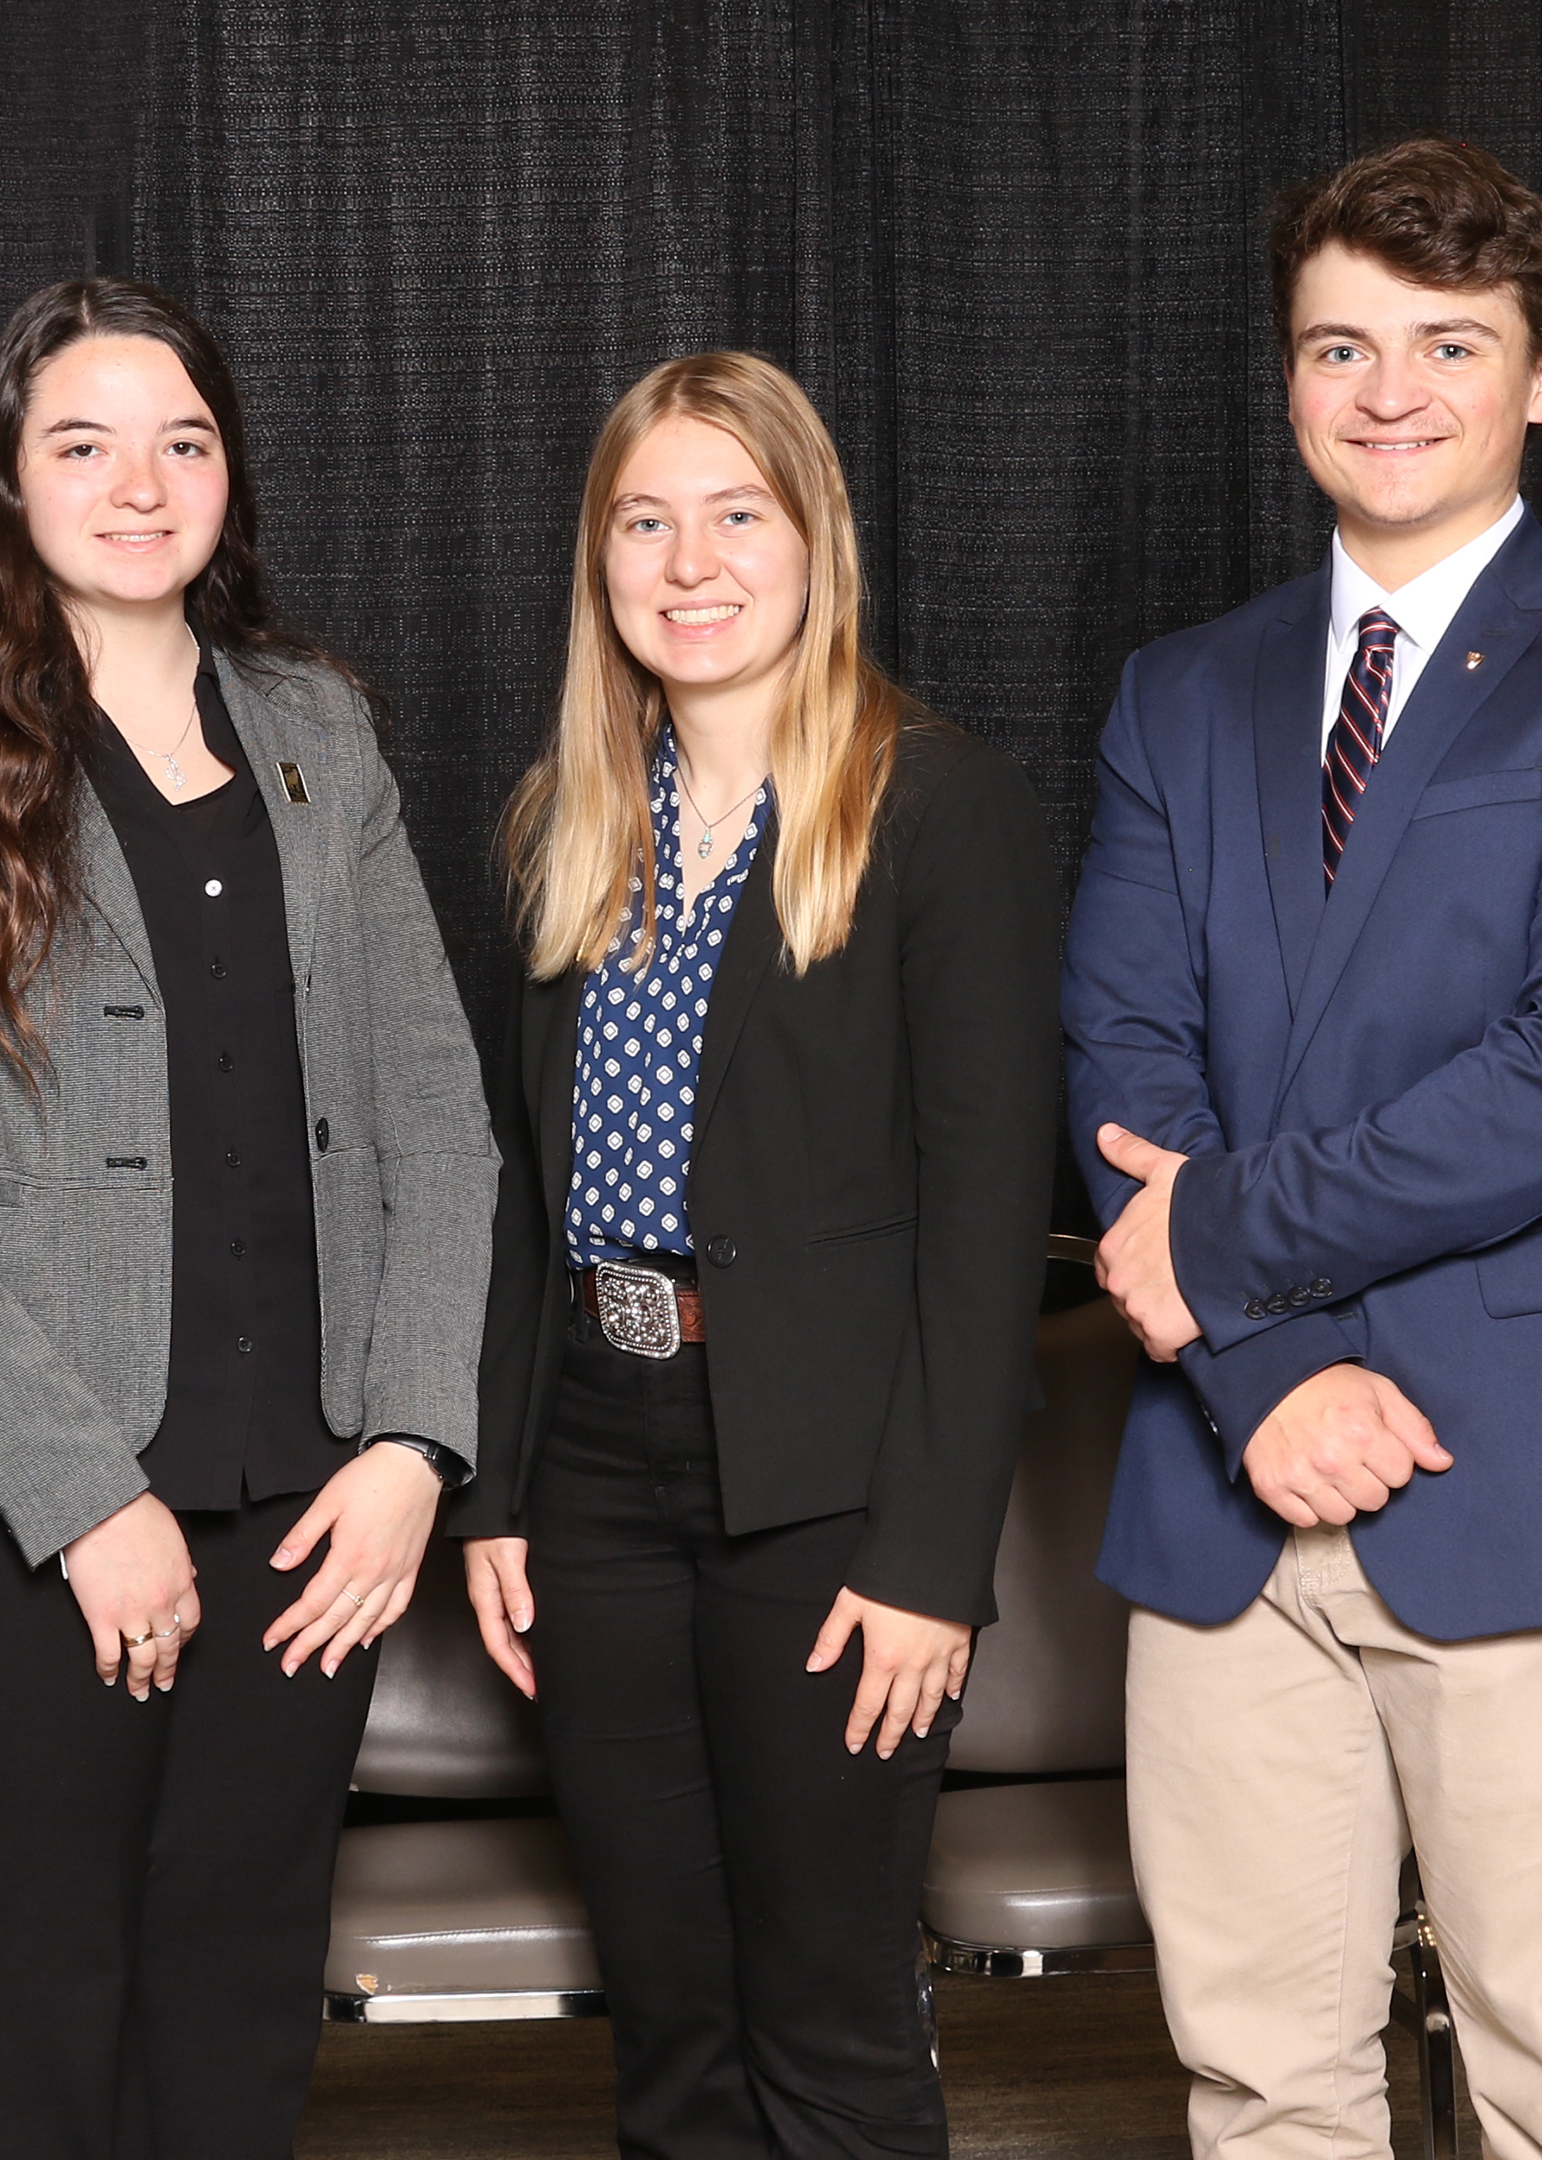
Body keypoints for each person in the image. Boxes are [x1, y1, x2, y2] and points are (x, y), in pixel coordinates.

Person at [1064, 135, 1542, 2158]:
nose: (1389, 392)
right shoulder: (1177, 692)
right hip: (1228, 1483)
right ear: (1287, 376)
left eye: (1447, 345)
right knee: (1260, 2074)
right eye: (1340, 345)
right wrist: (1266, 1368)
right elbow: (1120, 1056)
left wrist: (1218, 1247)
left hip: (1526, 1463)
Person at [0, 277, 494, 2160]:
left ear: (229, 473)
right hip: (19, 1485)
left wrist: (417, 1437)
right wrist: (83, 1498)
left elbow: (438, 1113)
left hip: (315, 1481)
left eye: (182, 440)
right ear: (7, 480)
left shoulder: (318, 723)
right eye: (82, 443)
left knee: (248, 1980)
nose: (140, 482)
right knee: (45, 1984)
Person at [451, 351, 1058, 2159]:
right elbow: (512, 1186)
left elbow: (984, 1220)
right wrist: (492, 1493)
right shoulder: (564, 825)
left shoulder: (940, 811)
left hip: (829, 1486)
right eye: (647, 520)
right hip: (595, 1475)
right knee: (672, 2019)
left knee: (831, 2018)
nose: (690, 561)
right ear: (600, 559)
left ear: (816, 547)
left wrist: (935, 1561)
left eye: (738, 515)